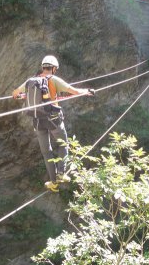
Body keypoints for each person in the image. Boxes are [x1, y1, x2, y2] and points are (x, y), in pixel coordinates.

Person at [12, 55, 94, 192]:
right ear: (54, 68)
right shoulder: (53, 79)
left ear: (43, 67)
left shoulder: (31, 81)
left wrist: (21, 95)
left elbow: (15, 93)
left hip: (37, 120)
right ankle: (61, 173)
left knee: (46, 152)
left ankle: (53, 182)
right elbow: (73, 91)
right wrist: (87, 91)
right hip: (52, 119)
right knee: (63, 144)